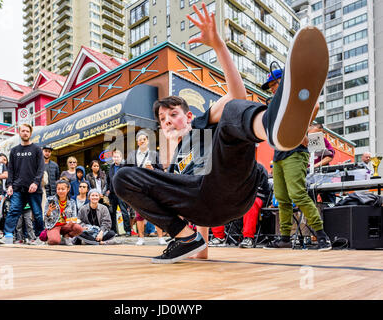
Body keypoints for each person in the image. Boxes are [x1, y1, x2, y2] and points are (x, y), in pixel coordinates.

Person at [113, 3, 329, 263]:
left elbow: (237, 97)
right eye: (162, 119)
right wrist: (199, 248)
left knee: (230, 111)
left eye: (173, 114)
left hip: (235, 186)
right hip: (209, 205)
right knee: (123, 177)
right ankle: (184, 239)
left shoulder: (202, 123)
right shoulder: (172, 166)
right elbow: (194, 204)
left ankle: (272, 124)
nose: (168, 121)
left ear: (188, 116)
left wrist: (218, 45)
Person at [262, 67, 331, 251]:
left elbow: (315, 106)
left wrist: (302, 127)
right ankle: (285, 237)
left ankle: (322, 236)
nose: (272, 89)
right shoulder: (277, 104)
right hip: (278, 155)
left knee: (298, 195)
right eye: (269, 87)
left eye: (274, 84)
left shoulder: (294, 97)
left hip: (295, 153)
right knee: (282, 198)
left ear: (283, 81)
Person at [0, 123, 45, 245]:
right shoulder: (14, 151)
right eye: (23, 131)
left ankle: (41, 237)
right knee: (13, 211)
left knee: (37, 214)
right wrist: (9, 185)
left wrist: (36, 182)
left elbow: (41, 169)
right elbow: (11, 170)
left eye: (27, 131)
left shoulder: (37, 150)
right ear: (19, 132)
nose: (25, 133)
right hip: (18, 188)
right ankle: (7, 236)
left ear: (30, 133)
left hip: (33, 189)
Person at [126, 130, 166, 246]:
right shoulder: (132, 155)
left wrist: (152, 169)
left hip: (153, 186)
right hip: (138, 186)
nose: (142, 141)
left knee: (157, 211)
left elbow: (161, 171)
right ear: (137, 142)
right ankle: (141, 238)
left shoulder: (154, 154)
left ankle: (160, 237)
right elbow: (127, 171)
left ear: (148, 141)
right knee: (139, 214)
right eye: (140, 139)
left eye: (144, 139)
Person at [44, 179, 83, 245]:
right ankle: (53, 237)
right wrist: (49, 211)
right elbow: (45, 218)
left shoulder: (72, 202)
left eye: (63, 189)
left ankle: (66, 237)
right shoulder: (50, 200)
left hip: (66, 225)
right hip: (54, 225)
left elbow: (74, 216)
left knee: (79, 228)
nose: (60, 191)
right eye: (58, 189)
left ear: (68, 189)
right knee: (54, 241)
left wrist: (72, 221)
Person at [106, 150, 131, 236]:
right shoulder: (111, 167)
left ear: (121, 157)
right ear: (112, 158)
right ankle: (114, 231)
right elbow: (108, 180)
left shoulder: (124, 167)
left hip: (122, 193)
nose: (116, 158)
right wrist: (108, 189)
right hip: (112, 194)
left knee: (124, 212)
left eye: (118, 157)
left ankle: (127, 230)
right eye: (114, 157)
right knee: (112, 212)